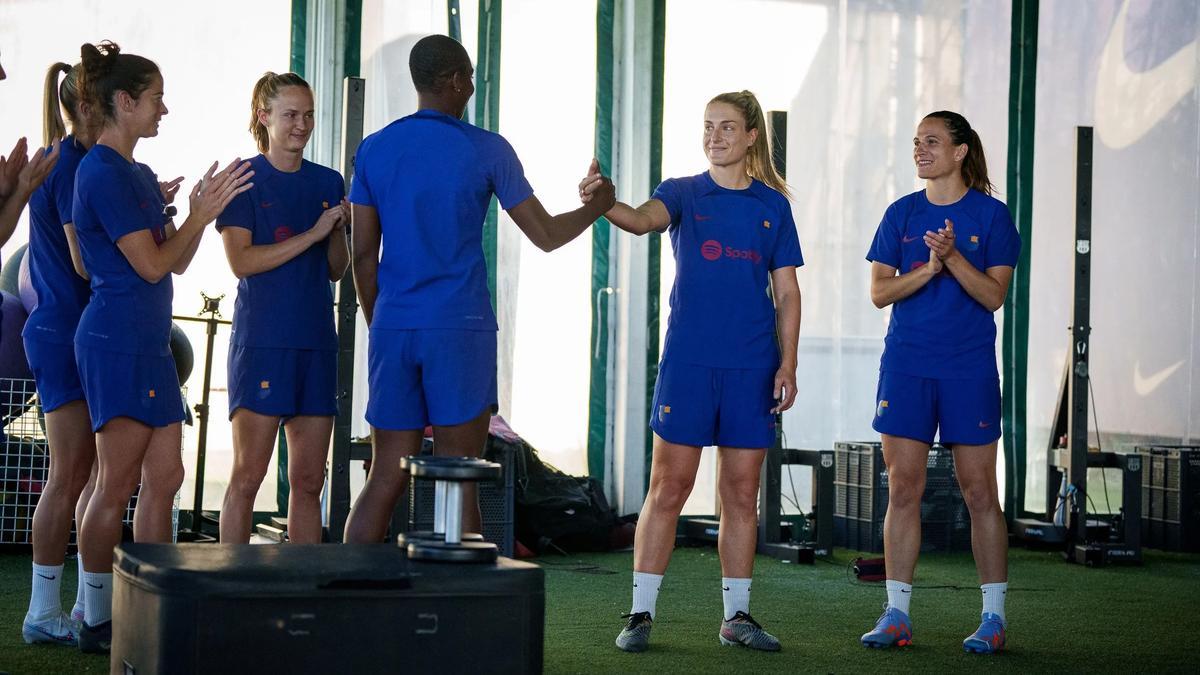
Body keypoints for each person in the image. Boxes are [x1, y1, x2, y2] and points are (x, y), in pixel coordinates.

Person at [343, 34, 614, 544]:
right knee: (458, 477)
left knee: (384, 476)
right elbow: (548, 235)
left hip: (395, 327)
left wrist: (381, 322)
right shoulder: (488, 148)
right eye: (468, 77)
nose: (471, 86)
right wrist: (598, 208)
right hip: (459, 329)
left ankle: (347, 607)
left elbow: (361, 254)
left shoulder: (374, 149)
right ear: (454, 81)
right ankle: (463, 614)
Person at [580, 90, 802, 653]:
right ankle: (639, 614)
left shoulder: (773, 207)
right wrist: (601, 201)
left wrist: (788, 363)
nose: (715, 136)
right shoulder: (681, 193)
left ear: (752, 136)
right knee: (670, 486)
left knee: (740, 492)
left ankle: (736, 617)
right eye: (708, 127)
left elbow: (788, 293)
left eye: (727, 127)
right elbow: (636, 220)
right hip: (689, 365)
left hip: (752, 367)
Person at [71, 41, 252, 653]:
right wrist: (198, 216)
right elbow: (151, 267)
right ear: (124, 103)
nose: (164, 111)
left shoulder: (140, 175)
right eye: (155, 99)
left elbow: (172, 258)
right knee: (115, 484)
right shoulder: (98, 171)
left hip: (147, 342)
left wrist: (194, 213)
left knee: (167, 474)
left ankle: (147, 599)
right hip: (115, 341)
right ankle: (95, 616)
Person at [860, 110, 1019, 654]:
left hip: (968, 369)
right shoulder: (901, 214)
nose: (921, 150)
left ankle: (993, 619)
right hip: (906, 366)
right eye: (916, 142)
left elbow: (994, 296)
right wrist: (927, 269)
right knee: (903, 488)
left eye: (932, 141)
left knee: (980, 493)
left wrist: (953, 258)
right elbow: (880, 292)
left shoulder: (992, 218)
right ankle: (897, 613)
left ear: (960, 152)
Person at [216, 72, 348, 544]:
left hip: (315, 344)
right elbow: (241, 261)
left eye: (309, 115)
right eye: (291, 114)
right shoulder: (244, 180)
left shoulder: (329, 181)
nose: (302, 125)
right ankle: (231, 591)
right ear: (264, 117)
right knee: (247, 479)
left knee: (310, 482)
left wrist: (335, 234)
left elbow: (335, 269)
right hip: (263, 344)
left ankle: (304, 596)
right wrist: (312, 233)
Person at [21, 61, 103, 647]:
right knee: (69, 473)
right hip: (63, 331)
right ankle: (42, 611)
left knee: (91, 473)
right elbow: (85, 261)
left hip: (72, 330)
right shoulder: (71, 164)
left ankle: (80, 607)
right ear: (96, 106)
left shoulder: (68, 157)